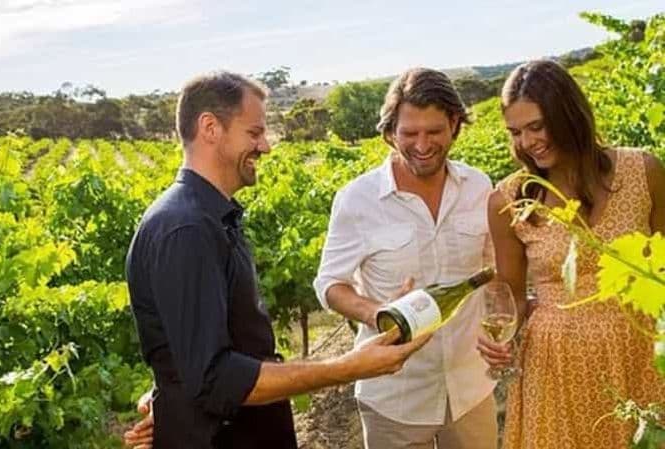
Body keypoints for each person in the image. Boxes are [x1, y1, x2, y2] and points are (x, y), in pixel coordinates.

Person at [124, 71, 431, 449]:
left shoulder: (208, 218)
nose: (266, 146)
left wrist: (170, 396)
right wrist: (347, 367)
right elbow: (214, 377)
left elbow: (193, 356)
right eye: (254, 133)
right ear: (210, 128)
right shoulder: (187, 229)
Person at [477, 59, 665, 448]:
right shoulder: (510, 199)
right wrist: (502, 339)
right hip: (556, 364)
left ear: (569, 114)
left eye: (536, 126)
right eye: (515, 132)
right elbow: (509, 294)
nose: (527, 143)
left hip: (640, 352)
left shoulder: (643, 171)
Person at [312, 67, 498, 449]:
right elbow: (329, 284)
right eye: (409, 133)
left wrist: (501, 320)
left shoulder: (479, 186)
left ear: (455, 126)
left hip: (470, 387)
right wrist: (378, 313)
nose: (423, 144)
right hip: (393, 396)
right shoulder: (358, 199)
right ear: (390, 133)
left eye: (435, 131)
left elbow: (492, 270)